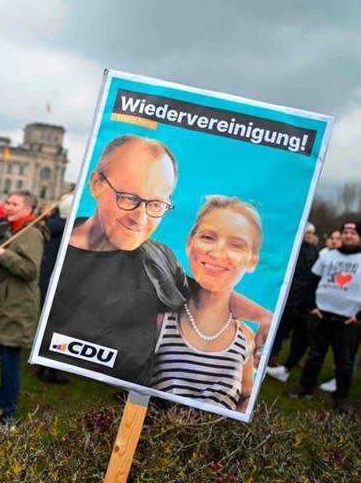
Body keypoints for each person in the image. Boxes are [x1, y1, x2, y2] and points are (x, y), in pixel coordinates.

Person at [38, 134, 271, 386]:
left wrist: (262, 316)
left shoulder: (158, 256)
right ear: (96, 184)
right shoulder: (52, 248)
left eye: (157, 204)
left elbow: (197, 294)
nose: (140, 218)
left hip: (131, 395)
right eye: (128, 198)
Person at [150, 197, 262, 412]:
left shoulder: (247, 338)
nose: (218, 253)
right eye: (208, 237)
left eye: (236, 245)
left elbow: (245, 395)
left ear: (252, 260)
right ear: (189, 243)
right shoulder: (159, 320)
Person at [0, 190, 48, 424]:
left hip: (19, 306)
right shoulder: (17, 229)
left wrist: (4, 254)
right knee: (4, 354)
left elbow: (31, 271)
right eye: (7, 202)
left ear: (28, 209)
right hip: (8, 302)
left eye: (14, 204)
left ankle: (7, 414)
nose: (8, 207)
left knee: (10, 359)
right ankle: (1, 400)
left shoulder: (31, 234)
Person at [288, 221, 360, 413]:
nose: (348, 235)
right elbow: (312, 280)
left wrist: (359, 316)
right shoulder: (328, 256)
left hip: (348, 320)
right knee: (314, 355)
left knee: (345, 361)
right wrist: (312, 306)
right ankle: (305, 388)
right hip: (322, 315)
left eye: (353, 233)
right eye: (345, 232)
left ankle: (341, 398)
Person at [265, 222, 320, 379]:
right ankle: (272, 356)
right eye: (305, 233)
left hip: (304, 302)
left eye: (310, 233)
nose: (307, 236)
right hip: (288, 299)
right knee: (279, 331)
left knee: (299, 336)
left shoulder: (314, 251)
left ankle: (293, 359)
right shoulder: (292, 249)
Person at [36, 194, 73, 384]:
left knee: (47, 328)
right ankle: (51, 369)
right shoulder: (68, 232)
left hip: (45, 282)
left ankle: (43, 365)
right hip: (58, 285)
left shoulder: (50, 225)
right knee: (58, 330)